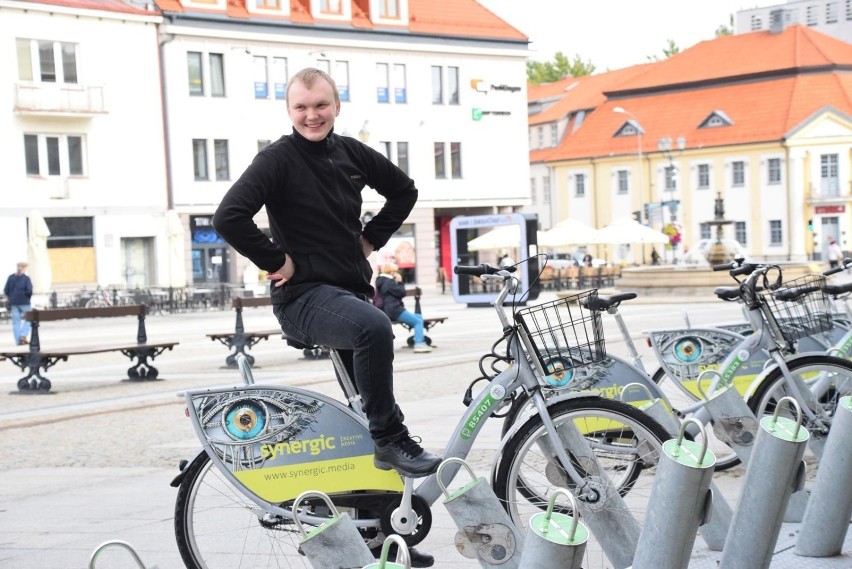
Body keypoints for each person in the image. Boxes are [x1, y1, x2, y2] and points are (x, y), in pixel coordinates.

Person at [212, 68, 441, 564]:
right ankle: (391, 438)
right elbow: (228, 216)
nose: (311, 115)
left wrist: (371, 237)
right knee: (375, 328)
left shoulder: (350, 152)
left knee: (359, 414)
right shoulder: (277, 159)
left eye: (320, 105)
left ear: (336, 106)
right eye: (301, 107)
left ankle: (383, 535)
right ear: (289, 110)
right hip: (303, 299)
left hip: (348, 294)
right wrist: (276, 260)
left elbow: (404, 190)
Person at [376, 262, 431, 353]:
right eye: (395, 271)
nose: (397, 273)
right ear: (391, 272)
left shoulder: (381, 281)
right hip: (394, 310)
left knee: (418, 318)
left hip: (388, 310)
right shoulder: (389, 282)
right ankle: (419, 344)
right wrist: (400, 281)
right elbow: (402, 292)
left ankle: (420, 340)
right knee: (418, 321)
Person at [4, 261, 33, 346]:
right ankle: (23, 335)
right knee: (29, 319)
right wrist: (27, 298)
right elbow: (29, 290)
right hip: (24, 302)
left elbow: (6, 290)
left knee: (16, 323)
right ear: (24, 268)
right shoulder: (26, 279)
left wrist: (11, 297)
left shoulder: (10, 277)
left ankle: (18, 341)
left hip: (13, 302)